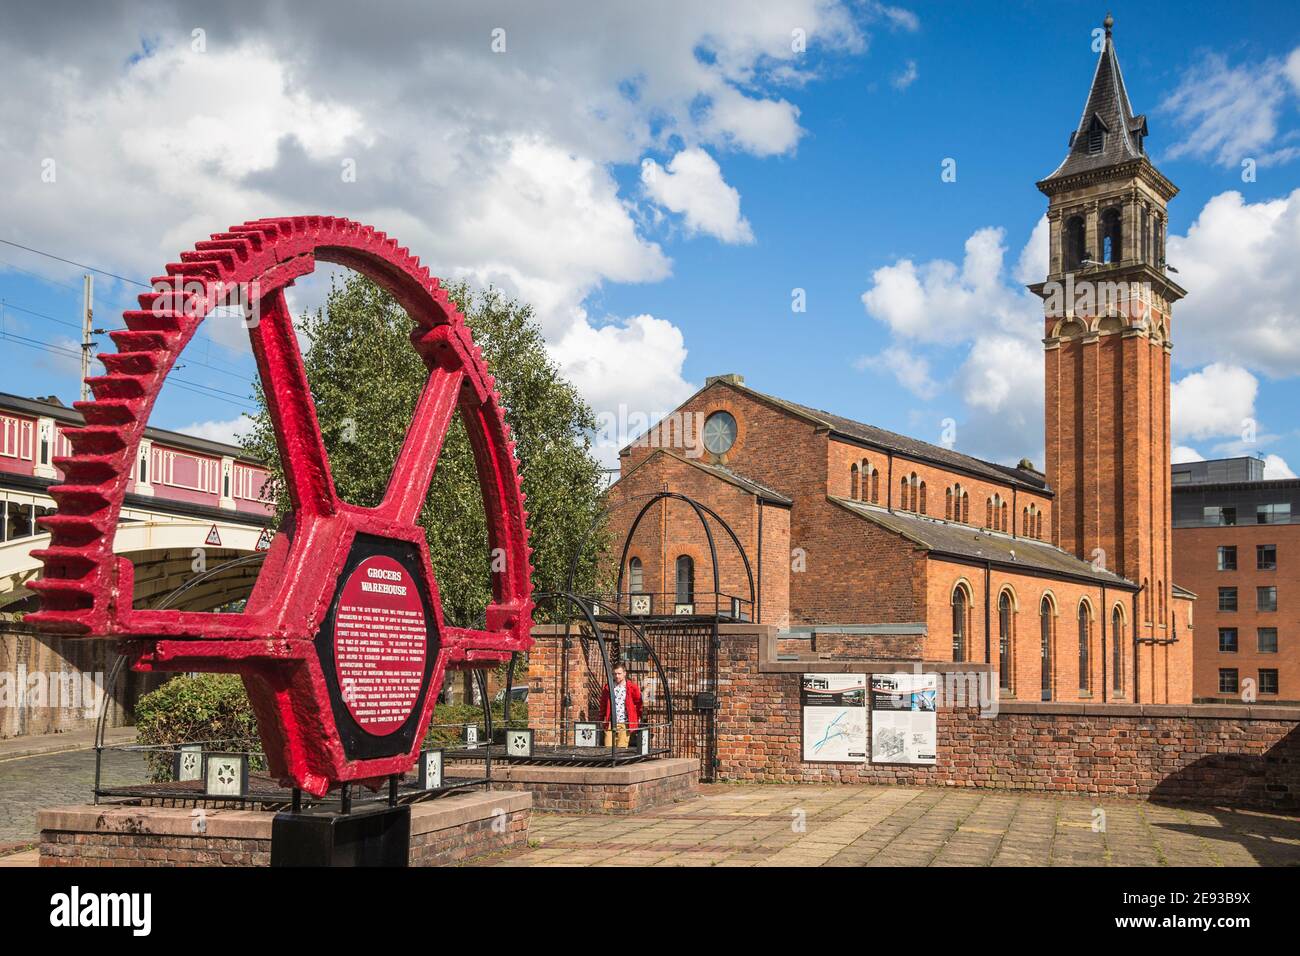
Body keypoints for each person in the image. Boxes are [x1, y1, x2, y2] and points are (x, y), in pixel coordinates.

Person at [598, 663, 642, 748]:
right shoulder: (608, 687)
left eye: (619, 673)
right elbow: (603, 704)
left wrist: (637, 718)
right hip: (610, 722)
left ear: (624, 673)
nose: (617, 676)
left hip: (625, 722)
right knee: (608, 748)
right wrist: (601, 719)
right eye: (614, 674)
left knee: (621, 749)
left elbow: (638, 704)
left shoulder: (632, 687)